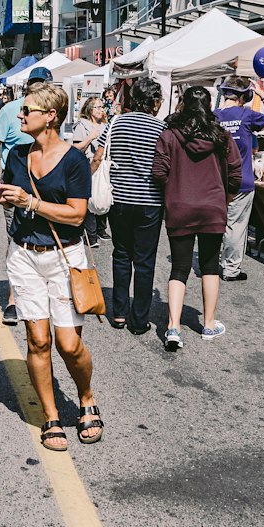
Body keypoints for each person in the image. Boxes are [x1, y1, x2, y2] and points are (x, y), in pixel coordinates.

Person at [0, 82, 101, 452]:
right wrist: (2, 195)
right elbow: (13, 200)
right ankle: (51, 415)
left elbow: (77, 215)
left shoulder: (74, 161)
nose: (20, 116)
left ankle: (86, 397)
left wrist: (29, 202)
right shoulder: (18, 156)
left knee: (69, 345)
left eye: (27, 111)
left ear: (50, 116)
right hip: (23, 256)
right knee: (38, 339)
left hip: (63, 257)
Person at [152, 85, 241, 349]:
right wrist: (225, 197)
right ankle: (209, 325)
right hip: (213, 205)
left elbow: (158, 173)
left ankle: (173, 329)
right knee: (210, 267)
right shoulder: (222, 136)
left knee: (179, 268)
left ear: (183, 104)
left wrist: (174, 190)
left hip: (179, 206)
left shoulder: (169, 135)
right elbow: (237, 173)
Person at [0, 68, 54, 324]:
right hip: (14, 187)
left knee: (48, 239)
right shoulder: (11, 111)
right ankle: (13, 300)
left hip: (47, 188)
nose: (37, 89)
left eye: (42, 85)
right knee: (17, 241)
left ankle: (46, 294)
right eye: (33, 84)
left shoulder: (52, 113)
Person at [106, 75, 165, 334]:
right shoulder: (161, 129)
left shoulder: (116, 123)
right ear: (153, 102)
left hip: (118, 199)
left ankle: (119, 313)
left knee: (121, 254)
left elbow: (100, 153)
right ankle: (139, 320)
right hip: (149, 201)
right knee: (144, 261)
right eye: (160, 99)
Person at [214, 77, 264, 283]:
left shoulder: (214, 117)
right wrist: (263, 96)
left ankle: (218, 262)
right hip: (242, 180)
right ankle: (230, 269)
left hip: (217, 181)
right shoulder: (247, 115)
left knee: (220, 223)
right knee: (236, 225)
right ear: (243, 97)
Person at [73, 96, 111, 248]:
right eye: (98, 107)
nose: (102, 110)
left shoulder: (106, 125)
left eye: (102, 107)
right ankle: (91, 234)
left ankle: (102, 229)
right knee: (89, 198)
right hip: (87, 164)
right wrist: (90, 138)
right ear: (90, 109)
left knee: (102, 194)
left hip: (104, 166)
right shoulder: (82, 125)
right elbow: (76, 148)